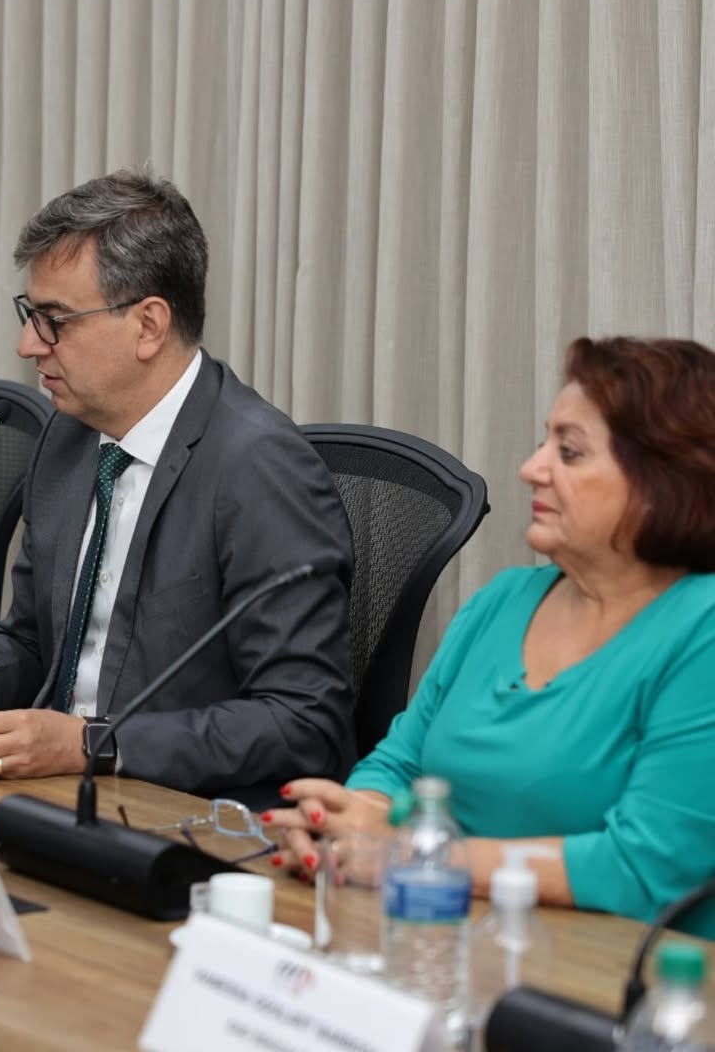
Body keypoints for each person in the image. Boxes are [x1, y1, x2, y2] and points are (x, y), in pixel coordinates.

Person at [0, 169, 355, 795]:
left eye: (54, 319)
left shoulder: (259, 466)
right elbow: (32, 643)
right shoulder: (68, 437)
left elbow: (302, 721)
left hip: (180, 812)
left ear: (149, 325)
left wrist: (92, 744)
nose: (28, 344)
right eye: (31, 314)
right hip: (55, 794)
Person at [266, 336, 715, 933]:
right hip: (441, 937)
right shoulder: (504, 600)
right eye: (543, 443)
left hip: (609, 968)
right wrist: (344, 823)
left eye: (569, 452)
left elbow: (641, 869)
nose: (531, 469)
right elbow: (398, 764)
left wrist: (411, 858)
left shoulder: (702, 630)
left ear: (665, 480)